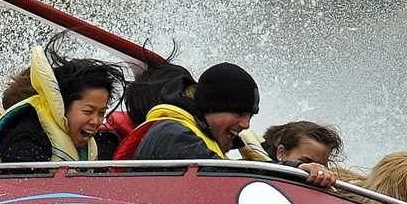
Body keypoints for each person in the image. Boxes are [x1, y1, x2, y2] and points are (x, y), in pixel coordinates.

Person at [115, 62, 336, 186]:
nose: (246, 124)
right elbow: (223, 174)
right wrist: (295, 169)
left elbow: (262, 155)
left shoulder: (214, 138)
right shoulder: (171, 133)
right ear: (211, 107)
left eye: (250, 116)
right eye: (239, 113)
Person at [0, 37, 126, 163]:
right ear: (63, 105)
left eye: (101, 113)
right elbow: (26, 189)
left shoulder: (89, 145)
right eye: (88, 111)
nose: (96, 121)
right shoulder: (26, 132)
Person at [262, 121, 343, 167]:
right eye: (306, 162)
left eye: (322, 166)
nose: (316, 168)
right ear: (281, 153)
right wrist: (299, 166)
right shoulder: (254, 170)